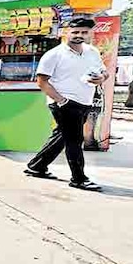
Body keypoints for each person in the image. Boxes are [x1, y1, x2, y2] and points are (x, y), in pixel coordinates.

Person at [25, 18, 108, 191]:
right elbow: (42, 81)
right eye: (75, 32)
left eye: (84, 32)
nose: (79, 36)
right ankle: (79, 178)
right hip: (63, 103)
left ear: (90, 33)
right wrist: (62, 101)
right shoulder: (54, 55)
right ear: (66, 32)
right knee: (74, 140)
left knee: (62, 135)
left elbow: (103, 72)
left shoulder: (92, 52)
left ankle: (36, 165)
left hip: (85, 101)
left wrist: (101, 78)